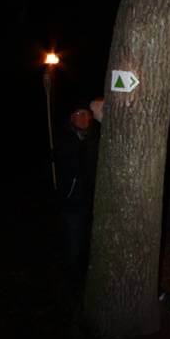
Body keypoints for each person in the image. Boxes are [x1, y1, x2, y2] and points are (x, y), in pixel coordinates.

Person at [55, 102, 100, 287]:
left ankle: (85, 274)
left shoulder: (94, 138)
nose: (84, 118)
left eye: (86, 114)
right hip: (72, 199)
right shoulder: (65, 138)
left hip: (91, 199)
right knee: (73, 239)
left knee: (87, 240)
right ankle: (72, 281)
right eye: (79, 114)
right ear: (71, 118)